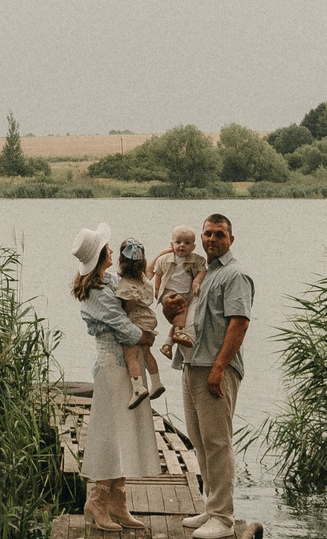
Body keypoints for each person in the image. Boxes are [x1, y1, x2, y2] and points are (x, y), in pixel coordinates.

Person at [71, 223, 160, 531]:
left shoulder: (109, 279)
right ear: (99, 257)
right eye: (107, 248)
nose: (112, 250)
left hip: (127, 365)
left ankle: (118, 502)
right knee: (108, 435)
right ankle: (96, 503)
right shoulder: (94, 292)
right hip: (112, 367)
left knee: (124, 432)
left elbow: (133, 293)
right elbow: (120, 323)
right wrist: (145, 338)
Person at [176, 213, 251, 539]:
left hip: (214, 368)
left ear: (230, 239)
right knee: (200, 441)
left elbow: (239, 323)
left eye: (219, 234)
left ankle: (223, 517)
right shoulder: (205, 274)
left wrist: (219, 368)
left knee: (218, 442)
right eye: (207, 234)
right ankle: (211, 506)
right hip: (193, 364)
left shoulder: (235, 275)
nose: (211, 239)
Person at [113, 237, 167, 409]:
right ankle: (156, 382)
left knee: (131, 355)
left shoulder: (127, 285)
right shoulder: (144, 279)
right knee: (146, 351)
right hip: (150, 319)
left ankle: (137, 388)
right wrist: (166, 251)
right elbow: (151, 269)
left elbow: (129, 308)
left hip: (137, 320)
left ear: (122, 261)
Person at [149, 225, 207, 362]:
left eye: (187, 243)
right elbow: (158, 274)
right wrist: (157, 292)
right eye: (178, 242)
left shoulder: (197, 259)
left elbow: (202, 270)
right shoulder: (165, 259)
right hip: (169, 293)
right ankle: (180, 333)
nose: (182, 246)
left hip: (186, 293)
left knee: (183, 316)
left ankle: (167, 344)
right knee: (181, 307)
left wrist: (197, 281)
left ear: (193, 246)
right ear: (172, 244)